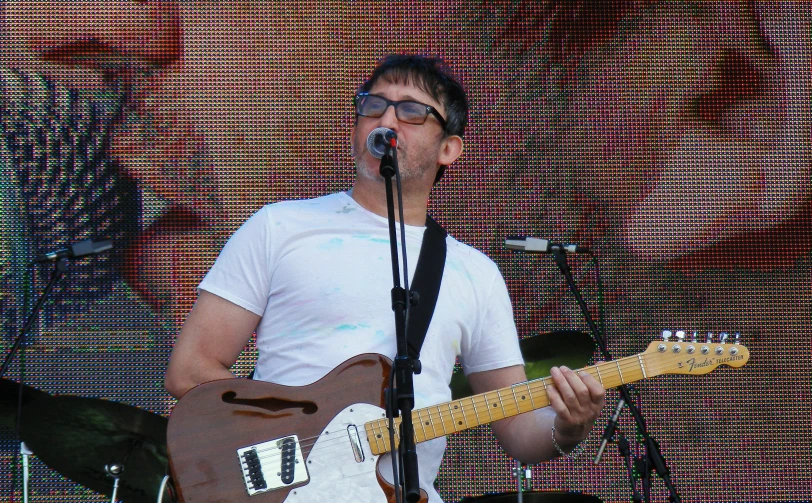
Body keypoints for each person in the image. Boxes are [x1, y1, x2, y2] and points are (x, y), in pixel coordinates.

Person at [164, 54, 606, 502]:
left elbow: (516, 428)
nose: (388, 117)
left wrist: (568, 428)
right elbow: (189, 371)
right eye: (373, 105)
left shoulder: (474, 273)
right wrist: (297, 429)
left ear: (449, 148)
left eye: (412, 110)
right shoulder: (279, 227)